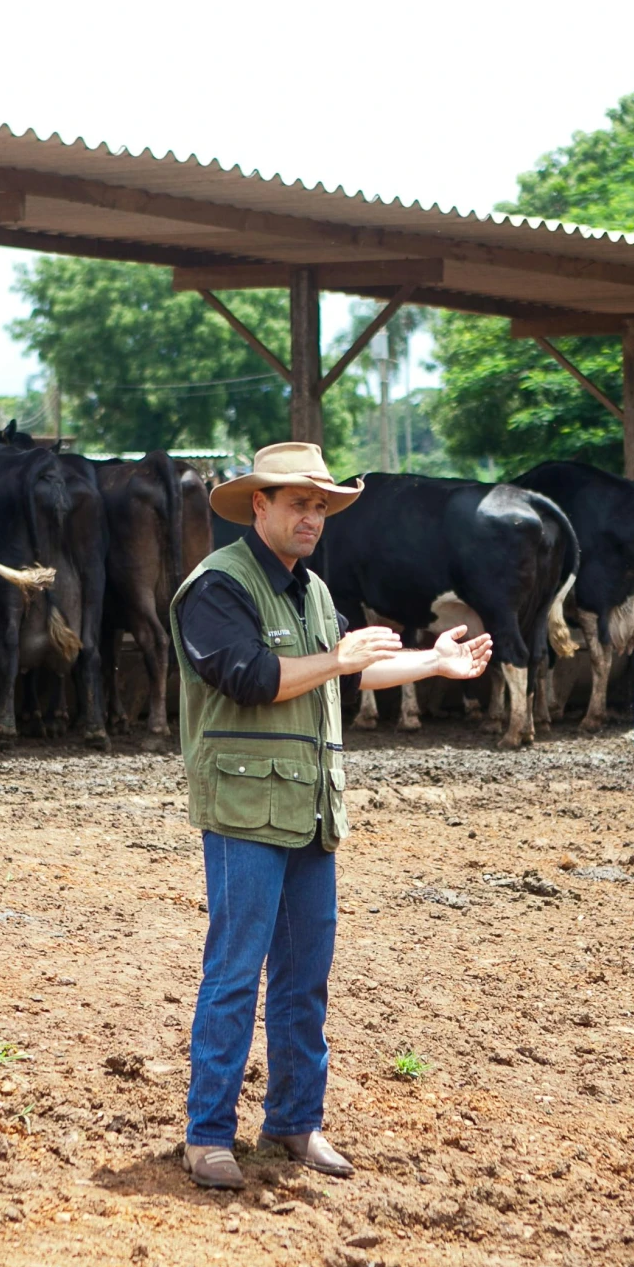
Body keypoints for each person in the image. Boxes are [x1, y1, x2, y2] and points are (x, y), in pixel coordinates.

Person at [169, 442, 493, 1192]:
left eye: (321, 504)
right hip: (248, 808)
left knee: (305, 977)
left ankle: (293, 1119)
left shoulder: (313, 589)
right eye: (297, 502)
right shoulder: (217, 587)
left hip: (310, 808)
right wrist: (342, 659)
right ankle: (208, 1133)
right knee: (233, 973)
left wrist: (430, 663)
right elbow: (252, 678)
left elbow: (351, 668)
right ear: (260, 505)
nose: (312, 516)